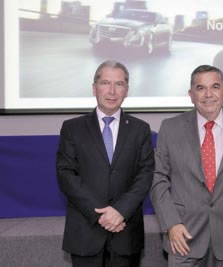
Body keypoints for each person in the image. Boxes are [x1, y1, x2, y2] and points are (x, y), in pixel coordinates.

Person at [150, 65, 223, 266]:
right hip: (183, 237)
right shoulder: (170, 128)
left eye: (215, 86)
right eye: (200, 88)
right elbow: (157, 180)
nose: (208, 94)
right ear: (191, 94)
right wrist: (171, 224)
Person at [56, 60, 155, 267]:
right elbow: (66, 174)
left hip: (125, 231)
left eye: (119, 84)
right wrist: (101, 215)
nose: (112, 91)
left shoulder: (141, 129)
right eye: (105, 83)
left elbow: (146, 174)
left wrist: (120, 211)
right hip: (85, 232)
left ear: (126, 90)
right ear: (94, 88)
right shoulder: (73, 128)